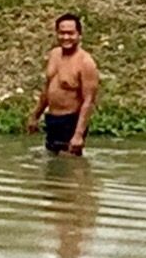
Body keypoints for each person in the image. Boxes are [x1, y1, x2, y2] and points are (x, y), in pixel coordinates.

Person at [25, 12, 99, 155]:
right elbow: (47, 89)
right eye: (62, 33)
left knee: (70, 168)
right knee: (52, 164)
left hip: (70, 122)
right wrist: (35, 116)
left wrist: (78, 135)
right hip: (53, 120)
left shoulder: (85, 62)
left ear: (79, 35)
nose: (66, 37)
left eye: (70, 33)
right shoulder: (54, 54)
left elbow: (88, 101)